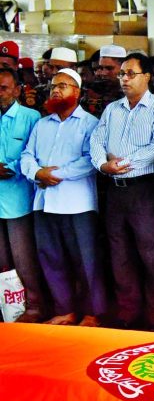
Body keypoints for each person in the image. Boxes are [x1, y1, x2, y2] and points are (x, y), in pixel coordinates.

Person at [90, 53, 154, 331]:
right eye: (122, 74)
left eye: (130, 73)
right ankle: (129, 313)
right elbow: (97, 140)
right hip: (115, 190)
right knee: (120, 254)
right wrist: (104, 164)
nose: (124, 79)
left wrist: (121, 163)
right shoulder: (112, 109)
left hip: (145, 190)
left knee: (152, 254)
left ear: (147, 77)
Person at [20, 68, 106, 327]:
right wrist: (37, 172)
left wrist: (55, 175)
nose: (56, 90)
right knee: (52, 259)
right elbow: (26, 155)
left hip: (77, 203)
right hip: (44, 203)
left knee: (86, 260)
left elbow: (90, 161)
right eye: (54, 86)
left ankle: (93, 313)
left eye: (63, 86)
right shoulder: (41, 124)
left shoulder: (91, 124)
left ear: (77, 92)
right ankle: (65, 310)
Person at [0, 67, 45, 322]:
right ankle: (7, 307)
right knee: (2, 260)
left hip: (20, 200)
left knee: (24, 257)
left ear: (18, 90)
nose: (0, 93)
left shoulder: (31, 117)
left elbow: (35, 154)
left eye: (4, 88)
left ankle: (35, 305)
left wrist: (13, 168)